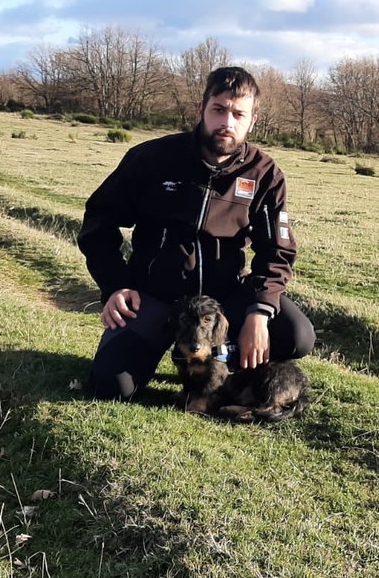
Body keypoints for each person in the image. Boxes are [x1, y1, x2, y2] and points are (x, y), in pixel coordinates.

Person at [78, 66, 315, 401]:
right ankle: (169, 351)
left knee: (297, 336)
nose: (227, 123)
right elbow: (98, 222)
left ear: (253, 120)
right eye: (219, 110)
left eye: (238, 114)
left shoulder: (264, 174)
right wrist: (116, 284)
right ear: (201, 110)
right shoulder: (152, 159)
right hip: (155, 299)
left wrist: (259, 311)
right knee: (113, 387)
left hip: (221, 304)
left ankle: (222, 357)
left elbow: (278, 250)